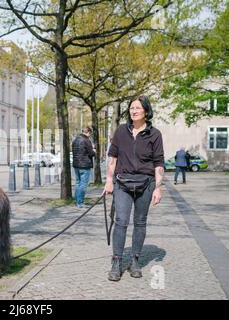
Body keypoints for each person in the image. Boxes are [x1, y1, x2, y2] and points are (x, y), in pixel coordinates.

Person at [103, 95, 164, 282]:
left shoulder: (155, 134)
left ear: (146, 111)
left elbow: (158, 163)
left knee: (140, 222)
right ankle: (116, 261)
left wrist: (158, 187)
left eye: (138, 108)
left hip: (146, 184)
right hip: (122, 183)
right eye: (131, 108)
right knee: (121, 220)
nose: (134, 111)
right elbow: (112, 158)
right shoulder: (121, 131)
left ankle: (135, 261)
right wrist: (109, 180)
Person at [72, 127, 95, 208]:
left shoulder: (75, 140)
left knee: (78, 183)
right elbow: (91, 153)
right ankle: (80, 202)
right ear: (88, 132)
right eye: (90, 134)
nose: (90, 135)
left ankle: (77, 201)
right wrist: (94, 151)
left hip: (76, 165)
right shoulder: (86, 140)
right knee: (83, 184)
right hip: (85, 165)